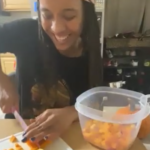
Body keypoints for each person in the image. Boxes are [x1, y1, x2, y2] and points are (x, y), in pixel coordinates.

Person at [0, 0, 103, 142]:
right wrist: (3, 83)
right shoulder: (26, 32)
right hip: (18, 131)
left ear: (85, 14)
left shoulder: (90, 53)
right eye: (47, 16)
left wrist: (72, 112)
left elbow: (97, 101)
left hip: (66, 137)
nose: (57, 28)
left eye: (69, 16)